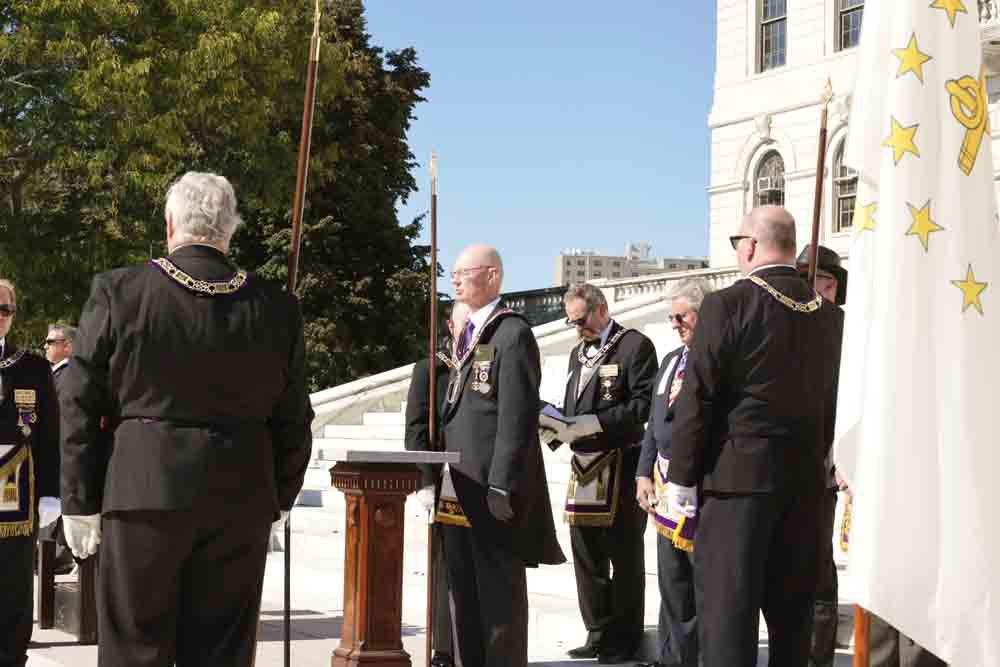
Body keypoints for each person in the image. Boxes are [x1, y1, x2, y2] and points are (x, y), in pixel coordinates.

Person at [59, 171, 314, 667]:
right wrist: (280, 495)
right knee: (221, 652)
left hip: (142, 494)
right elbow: (293, 416)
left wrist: (79, 498)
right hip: (240, 498)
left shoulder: (120, 291)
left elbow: (80, 401)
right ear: (230, 228)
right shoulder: (277, 307)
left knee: (135, 649)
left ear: (170, 224)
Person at [666, 206, 842, 666]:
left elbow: (699, 396)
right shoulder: (829, 315)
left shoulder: (727, 304)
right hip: (804, 488)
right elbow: (831, 406)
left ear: (749, 246)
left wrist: (682, 477)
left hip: (735, 489)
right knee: (793, 625)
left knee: (728, 624)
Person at [437, 243, 564, 667]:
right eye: (453, 274)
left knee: (497, 597)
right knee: (463, 592)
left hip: (490, 485)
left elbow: (516, 415)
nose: (455, 281)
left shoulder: (511, 333)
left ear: (492, 275)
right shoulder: (469, 334)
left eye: (463, 273)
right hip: (458, 482)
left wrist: (501, 483)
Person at [548, 282, 657, 663]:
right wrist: (557, 425)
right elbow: (573, 405)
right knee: (586, 553)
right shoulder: (577, 353)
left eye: (581, 320)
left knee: (624, 555)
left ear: (602, 310)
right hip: (584, 465)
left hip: (622, 461)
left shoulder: (635, 346)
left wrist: (597, 422)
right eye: (572, 322)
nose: (578, 328)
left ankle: (624, 637)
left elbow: (644, 405)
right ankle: (597, 631)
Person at [634, 278, 713, 667]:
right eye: (671, 317)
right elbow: (654, 423)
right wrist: (642, 473)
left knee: (700, 582)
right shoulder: (670, 361)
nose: (675, 324)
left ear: (703, 314)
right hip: (663, 483)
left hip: (701, 485)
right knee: (671, 578)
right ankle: (672, 658)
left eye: (682, 316)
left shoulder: (716, 359)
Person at [404, 301, 470, 667]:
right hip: (445, 480)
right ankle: (444, 648)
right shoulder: (431, 369)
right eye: (465, 325)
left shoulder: (485, 364)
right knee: (446, 570)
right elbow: (416, 430)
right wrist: (425, 482)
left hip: (479, 479)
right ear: (450, 327)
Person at [0, 279, 61, 667]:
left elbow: (50, 435)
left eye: (4, 310)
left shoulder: (33, 368)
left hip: (17, 494)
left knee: (14, 582)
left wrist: (51, 491)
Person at [796, 245, 848, 667]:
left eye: (823, 284)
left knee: (817, 570)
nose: (816, 292)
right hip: (778, 464)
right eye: (808, 283)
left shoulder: (846, 330)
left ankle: (818, 658)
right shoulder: (787, 326)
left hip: (823, 465)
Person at [39, 323, 78, 575]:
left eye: (51, 342)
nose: (45, 346)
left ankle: (58, 556)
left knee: (57, 503)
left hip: (60, 453)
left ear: (68, 346)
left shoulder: (68, 376)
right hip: (55, 453)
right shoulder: (54, 375)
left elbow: (61, 420)